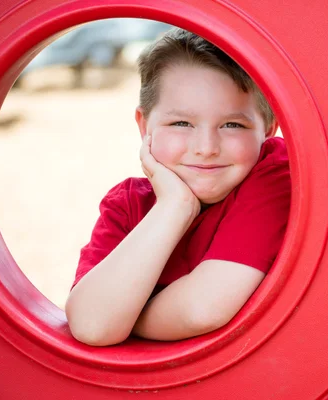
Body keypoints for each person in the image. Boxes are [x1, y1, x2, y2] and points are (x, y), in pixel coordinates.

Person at [65, 28, 291, 346]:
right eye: (181, 123)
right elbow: (93, 325)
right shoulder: (127, 205)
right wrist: (175, 205)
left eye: (233, 125)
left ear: (268, 131)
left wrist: (129, 316)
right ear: (144, 127)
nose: (206, 147)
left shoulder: (274, 175)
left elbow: (203, 309)